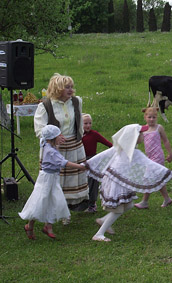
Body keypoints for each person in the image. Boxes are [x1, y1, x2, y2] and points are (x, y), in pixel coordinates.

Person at [84, 124, 172, 242]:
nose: (143, 135)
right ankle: (99, 233)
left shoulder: (124, 149)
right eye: (141, 134)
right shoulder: (130, 152)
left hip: (118, 181)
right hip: (116, 183)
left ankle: (104, 220)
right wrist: (170, 173)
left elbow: (102, 155)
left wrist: (85, 164)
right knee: (118, 210)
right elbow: (150, 164)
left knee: (129, 205)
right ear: (135, 137)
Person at [34, 73, 89, 223]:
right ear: (57, 89)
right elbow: (40, 130)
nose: (71, 90)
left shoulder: (77, 102)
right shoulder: (45, 106)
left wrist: (78, 137)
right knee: (54, 182)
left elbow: (79, 122)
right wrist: (54, 138)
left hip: (74, 147)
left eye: (71, 87)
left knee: (70, 182)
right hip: (54, 150)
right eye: (66, 87)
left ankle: (66, 214)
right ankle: (51, 213)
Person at [19, 125, 86, 240]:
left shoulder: (48, 144)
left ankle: (48, 226)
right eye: (59, 135)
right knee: (41, 201)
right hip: (46, 179)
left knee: (55, 200)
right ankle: (30, 225)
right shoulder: (50, 151)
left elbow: (56, 152)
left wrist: (58, 143)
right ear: (52, 138)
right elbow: (64, 163)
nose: (61, 137)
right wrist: (81, 167)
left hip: (53, 178)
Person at [134, 107, 172, 209]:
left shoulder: (159, 128)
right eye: (149, 117)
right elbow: (139, 141)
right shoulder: (143, 129)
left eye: (154, 117)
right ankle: (167, 198)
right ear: (145, 117)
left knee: (148, 178)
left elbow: (166, 141)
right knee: (158, 179)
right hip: (149, 158)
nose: (151, 119)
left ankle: (144, 201)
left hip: (158, 157)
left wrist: (170, 153)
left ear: (157, 117)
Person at [82, 113, 113, 213]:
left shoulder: (94, 134)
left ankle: (92, 203)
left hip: (93, 161)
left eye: (90, 123)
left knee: (93, 182)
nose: (88, 125)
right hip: (81, 161)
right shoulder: (77, 136)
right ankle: (81, 202)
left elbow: (108, 144)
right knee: (82, 182)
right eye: (85, 123)